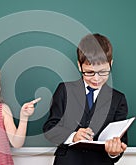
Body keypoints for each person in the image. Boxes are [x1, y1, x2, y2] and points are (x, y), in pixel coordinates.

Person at [43, 33, 128, 165]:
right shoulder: (64, 90)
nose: (96, 78)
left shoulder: (118, 99)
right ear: (79, 66)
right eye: (89, 72)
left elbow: (122, 142)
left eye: (103, 72)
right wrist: (73, 136)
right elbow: (50, 128)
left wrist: (114, 151)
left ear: (111, 64)